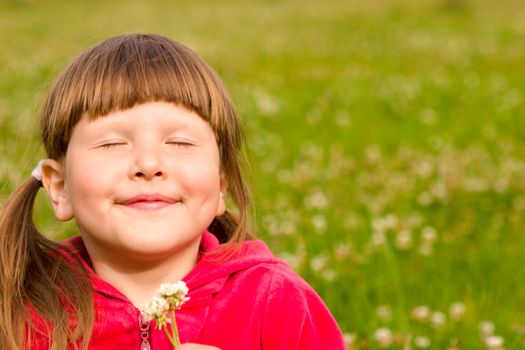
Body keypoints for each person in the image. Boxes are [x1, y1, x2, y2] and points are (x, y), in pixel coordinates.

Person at [0, 33, 346, 350]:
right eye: (112, 143)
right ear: (59, 188)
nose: (149, 164)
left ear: (221, 183)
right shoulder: (22, 314)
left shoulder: (277, 304)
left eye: (180, 142)